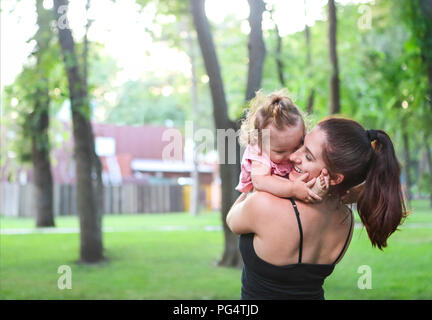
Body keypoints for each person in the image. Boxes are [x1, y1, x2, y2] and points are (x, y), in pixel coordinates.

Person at [227, 117, 407, 300]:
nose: (292, 156)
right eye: (301, 145)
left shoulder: (264, 204)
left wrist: (261, 176)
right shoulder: (346, 220)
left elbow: (232, 219)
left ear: (335, 178)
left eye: (308, 157)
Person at [236, 89, 329, 203]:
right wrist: (293, 189)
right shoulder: (258, 152)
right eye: (280, 152)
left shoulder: (285, 146)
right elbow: (261, 182)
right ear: (260, 142)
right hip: (259, 196)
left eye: (296, 147)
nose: (292, 157)